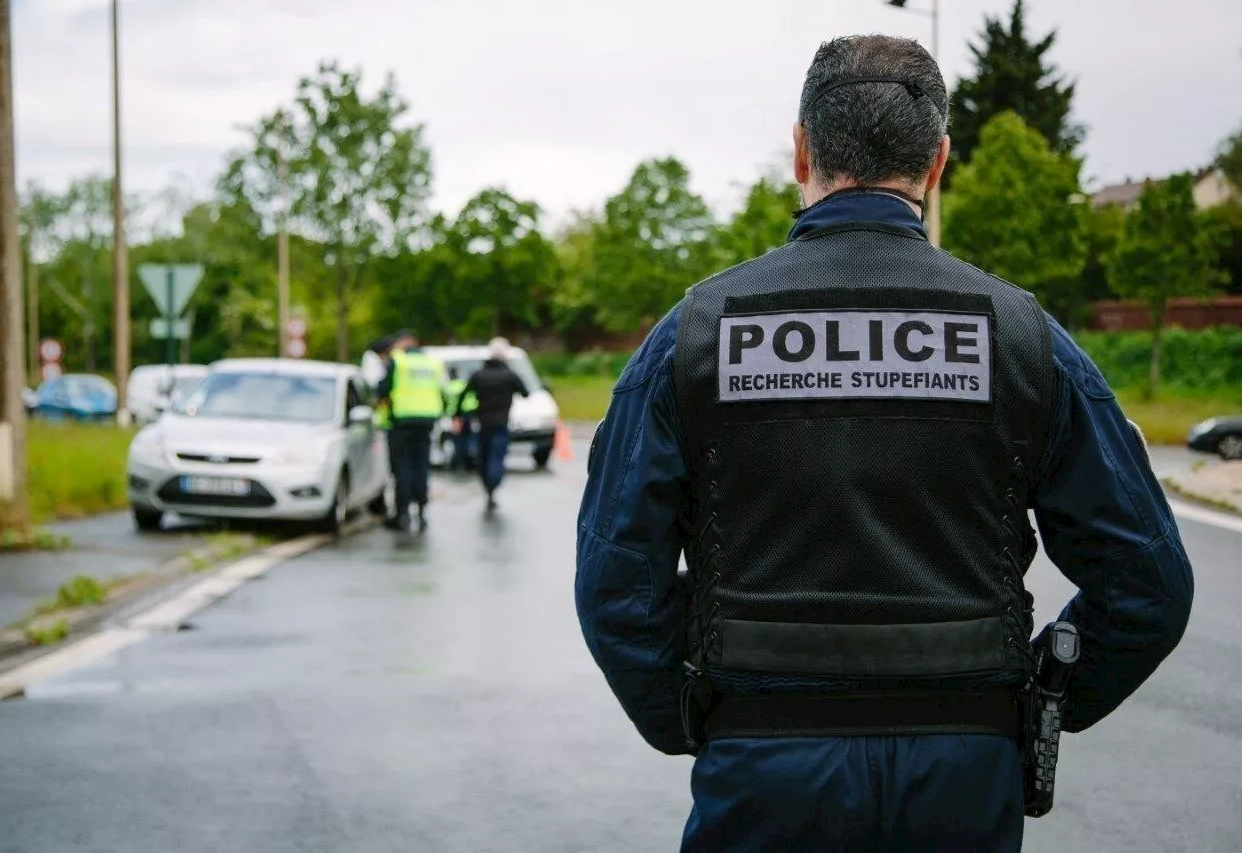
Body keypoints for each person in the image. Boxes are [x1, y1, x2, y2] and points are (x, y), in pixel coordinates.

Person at [575, 35, 1194, 852]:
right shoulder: (1023, 338)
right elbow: (1148, 583)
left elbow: (615, 582)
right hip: (963, 774)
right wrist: (1041, 699)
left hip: (763, 765)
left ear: (801, 148)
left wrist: (695, 715)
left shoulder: (693, 336)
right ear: (937, 163)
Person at [377, 330, 447, 531]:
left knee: (403, 468)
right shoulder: (432, 362)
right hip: (426, 421)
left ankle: (403, 514)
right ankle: (423, 511)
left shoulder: (398, 361)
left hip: (402, 421)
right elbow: (444, 391)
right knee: (422, 467)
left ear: (402, 344)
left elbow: (383, 389)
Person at [456, 337, 529, 511]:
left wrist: (458, 415)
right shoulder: (509, 376)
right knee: (497, 456)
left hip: (482, 423)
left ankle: (488, 487)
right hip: (501, 423)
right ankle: (493, 484)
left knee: (484, 456)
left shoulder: (479, 375)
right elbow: (525, 392)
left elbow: (463, 395)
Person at [445, 365, 478, 472]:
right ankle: (471, 459)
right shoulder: (463, 384)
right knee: (470, 437)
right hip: (469, 413)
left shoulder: (448, 387)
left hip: (456, 416)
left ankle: (460, 461)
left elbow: (445, 402)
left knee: (458, 439)